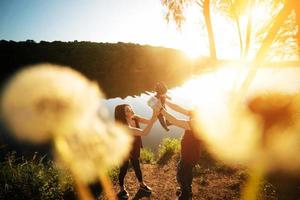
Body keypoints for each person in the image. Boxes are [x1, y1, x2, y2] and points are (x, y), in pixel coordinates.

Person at [158, 99, 202, 200]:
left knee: (181, 174)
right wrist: (165, 100)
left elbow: (174, 121)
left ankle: (185, 195)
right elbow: (177, 108)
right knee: (188, 171)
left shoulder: (196, 123)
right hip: (191, 153)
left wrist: (160, 109)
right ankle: (188, 189)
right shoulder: (195, 114)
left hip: (189, 154)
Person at [114, 104, 159, 199]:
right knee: (123, 169)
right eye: (127, 110)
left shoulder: (135, 117)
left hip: (135, 146)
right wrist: (153, 118)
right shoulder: (124, 126)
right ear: (122, 114)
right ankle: (122, 189)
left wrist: (155, 114)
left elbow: (150, 121)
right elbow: (144, 132)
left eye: (130, 108)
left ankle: (142, 185)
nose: (131, 110)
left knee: (136, 164)